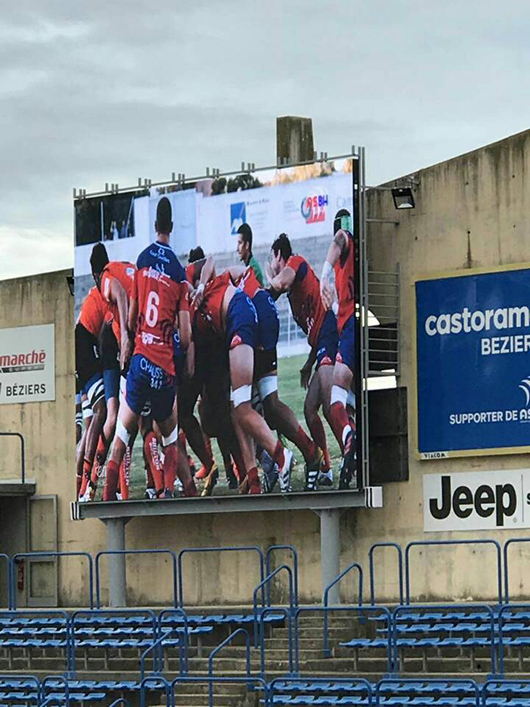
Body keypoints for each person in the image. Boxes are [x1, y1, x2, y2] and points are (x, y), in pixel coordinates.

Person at [103, 196, 197, 500]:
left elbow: (130, 317)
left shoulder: (141, 260)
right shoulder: (179, 273)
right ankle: (168, 489)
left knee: (122, 433)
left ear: (155, 225)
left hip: (141, 362)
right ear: (171, 227)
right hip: (164, 368)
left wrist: (134, 339)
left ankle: (106, 497)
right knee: (169, 436)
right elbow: (185, 331)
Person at [192, 257, 293, 494]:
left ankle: (280, 456)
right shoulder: (209, 301)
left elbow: (209, 262)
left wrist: (198, 287)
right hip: (243, 321)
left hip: (242, 320)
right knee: (238, 408)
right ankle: (255, 475)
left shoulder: (213, 285)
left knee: (242, 408)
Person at [228, 264, 323, 491]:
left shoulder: (219, 286)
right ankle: (311, 452)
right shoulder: (240, 276)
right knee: (270, 404)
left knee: (238, 406)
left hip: (255, 321)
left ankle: (261, 472)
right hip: (267, 313)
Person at [267, 233, 340, 490]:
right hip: (321, 343)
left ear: (279, 255)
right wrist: (309, 363)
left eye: (273, 259)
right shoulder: (292, 295)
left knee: (331, 406)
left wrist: (269, 280)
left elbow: (280, 282)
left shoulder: (295, 262)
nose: (274, 265)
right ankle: (326, 467)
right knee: (311, 410)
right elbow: (313, 331)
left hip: (331, 333)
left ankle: (347, 456)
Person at [320, 209, 357, 489]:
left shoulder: (345, 241)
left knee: (335, 399)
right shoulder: (349, 264)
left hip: (351, 331)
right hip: (352, 328)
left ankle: (348, 437)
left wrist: (323, 274)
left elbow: (340, 238)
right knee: (349, 403)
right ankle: (352, 451)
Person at [75, 286, 107, 499]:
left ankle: (79, 484)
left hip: (80, 350)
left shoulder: (96, 293)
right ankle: (87, 480)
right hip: (85, 349)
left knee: (87, 427)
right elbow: (104, 336)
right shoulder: (107, 292)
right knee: (102, 410)